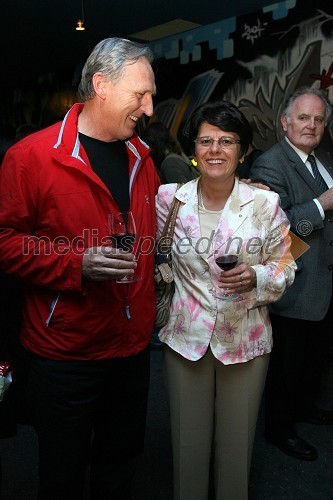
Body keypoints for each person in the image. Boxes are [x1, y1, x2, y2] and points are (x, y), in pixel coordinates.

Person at [0, 37, 160, 500]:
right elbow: (7, 243)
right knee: (62, 472)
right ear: (101, 85)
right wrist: (77, 263)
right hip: (65, 352)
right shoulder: (30, 157)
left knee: (120, 465)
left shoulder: (141, 158)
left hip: (132, 349)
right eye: (141, 95)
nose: (149, 108)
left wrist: (231, 191)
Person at [155, 100, 296, 500]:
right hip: (185, 340)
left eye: (226, 141)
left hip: (246, 342)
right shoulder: (168, 200)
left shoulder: (265, 203)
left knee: (237, 450)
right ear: (193, 149)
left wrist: (259, 275)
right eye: (205, 140)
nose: (215, 150)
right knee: (187, 448)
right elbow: (154, 257)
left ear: (243, 149)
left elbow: (288, 264)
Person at [251, 86, 333, 461]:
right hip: (294, 285)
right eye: (303, 117)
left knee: (314, 359)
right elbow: (279, 230)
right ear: (285, 122)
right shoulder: (270, 164)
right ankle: (279, 429)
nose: (311, 125)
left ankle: (303, 409)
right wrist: (321, 204)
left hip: (324, 283)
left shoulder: (324, 160)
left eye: (318, 119)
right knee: (287, 366)